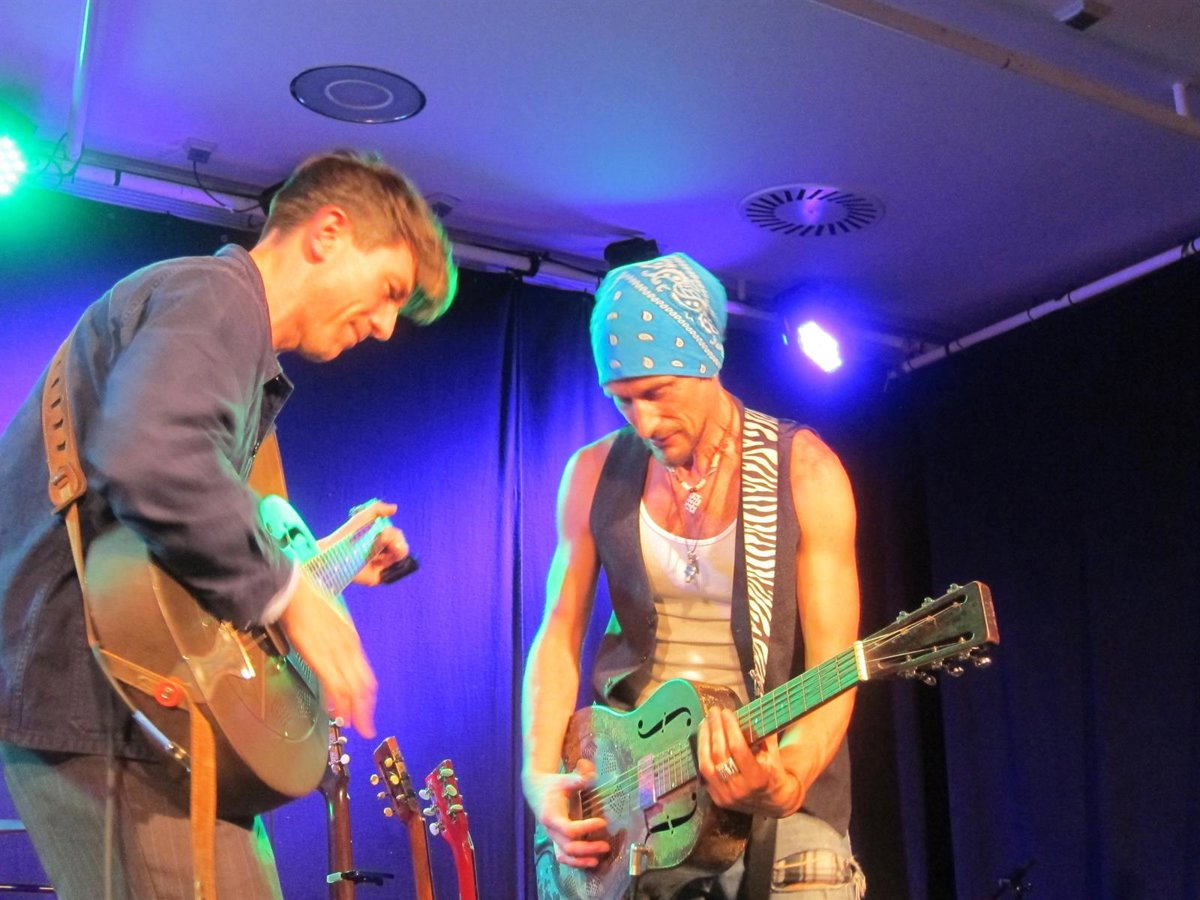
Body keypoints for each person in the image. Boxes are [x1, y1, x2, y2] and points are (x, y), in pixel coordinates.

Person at [0, 149, 457, 899]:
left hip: (138, 712)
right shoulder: (215, 299)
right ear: (328, 233)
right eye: (388, 292)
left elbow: (177, 552)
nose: (383, 328)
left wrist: (325, 569)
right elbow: (153, 457)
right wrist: (291, 595)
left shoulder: (230, 337)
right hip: (108, 709)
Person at [521, 253, 865, 898]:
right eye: (622, 400)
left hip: (774, 783)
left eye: (657, 392)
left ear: (708, 361)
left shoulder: (806, 473)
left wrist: (789, 775)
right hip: (640, 798)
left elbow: (836, 666)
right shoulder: (593, 473)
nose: (644, 422)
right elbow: (559, 632)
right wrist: (539, 776)